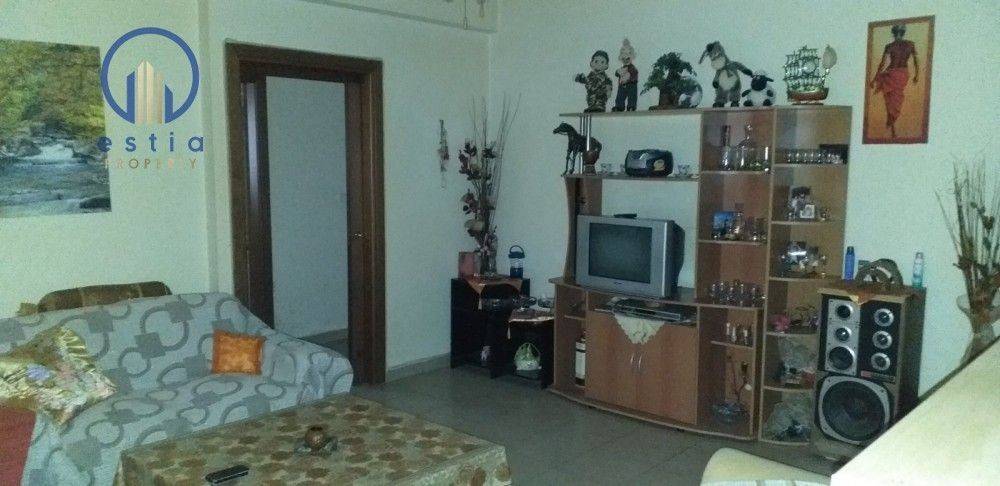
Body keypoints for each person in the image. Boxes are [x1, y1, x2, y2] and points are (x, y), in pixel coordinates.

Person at [869, 24, 920, 138]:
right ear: (903, 33)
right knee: (893, 100)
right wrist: (917, 75)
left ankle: (892, 126)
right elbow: (916, 61)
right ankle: (892, 129)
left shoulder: (890, 46)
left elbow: (882, 64)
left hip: (893, 74)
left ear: (893, 33)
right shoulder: (910, 44)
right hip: (902, 74)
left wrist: (874, 79)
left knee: (890, 100)